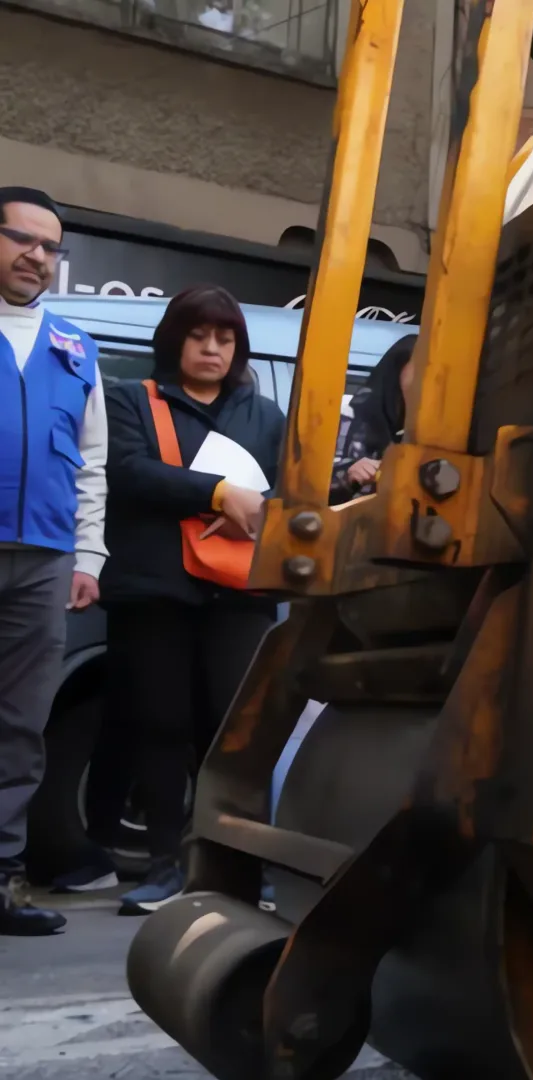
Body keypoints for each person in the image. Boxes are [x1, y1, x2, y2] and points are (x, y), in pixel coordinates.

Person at [100, 285, 284, 915]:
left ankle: (239, 869)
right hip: (154, 590)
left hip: (239, 593)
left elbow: (293, 490)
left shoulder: (265, 416)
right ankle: (162, 867)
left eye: (224, 337)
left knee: (234, 733)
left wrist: (261, 510)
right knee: (159, 725)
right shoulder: (133, 400)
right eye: (199, 335)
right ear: (174, 339)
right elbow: (125, 471)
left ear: (238, 347)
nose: (211, 348)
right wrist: (217, 493)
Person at [0, 187, 107, 936]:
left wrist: (88, 554)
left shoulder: (76, 347)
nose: (35, 256)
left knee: (20, 727)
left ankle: (1, 880)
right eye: (21, 239)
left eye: (49, 247)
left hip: (44, 558)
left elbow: (92, 464)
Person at [330, 333, 417, 505]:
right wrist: (349, 474)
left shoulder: (436, 431)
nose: (428, 382)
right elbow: (304, 484)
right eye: (420, 370)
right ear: (398, 368)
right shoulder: (346, 415)